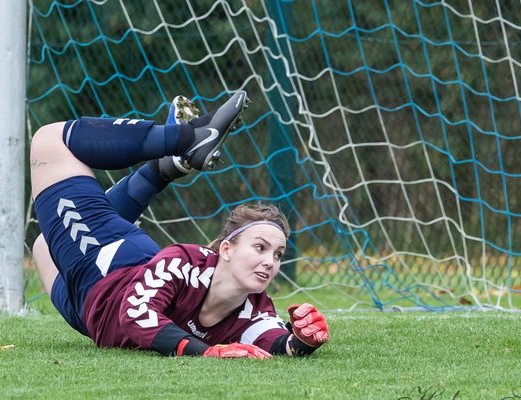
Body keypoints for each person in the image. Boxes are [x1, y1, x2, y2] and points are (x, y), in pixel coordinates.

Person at [30, 87, 331, 359]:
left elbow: (274, 341)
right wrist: (205, 351)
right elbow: (135, 315)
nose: (270, 262)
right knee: (49, 140)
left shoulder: (256, 307)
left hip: (89, 314)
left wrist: (302, 341)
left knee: (44, 245)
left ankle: (166, 167)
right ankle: (188, 137)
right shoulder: (185, 262)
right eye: (260, 247)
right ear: (226, 249)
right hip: (105, 270)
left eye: (277, 254)